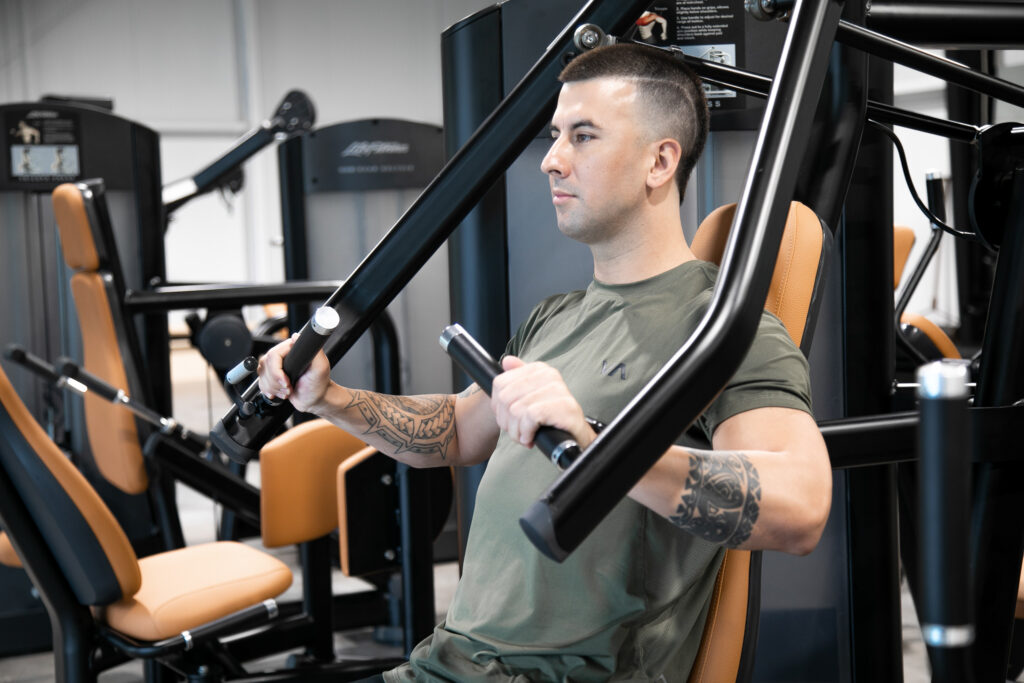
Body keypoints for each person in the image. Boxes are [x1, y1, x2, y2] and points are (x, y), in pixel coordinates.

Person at [258, 42, 831, 682]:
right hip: (444, 665)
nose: (551, 161)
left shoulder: (720, 329)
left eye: (582, 136)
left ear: (659, 161)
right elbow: (454, 428)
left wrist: (599, 449)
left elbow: (801, 507)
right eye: (554, 136)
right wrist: (327, 397)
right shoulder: (556, 316)